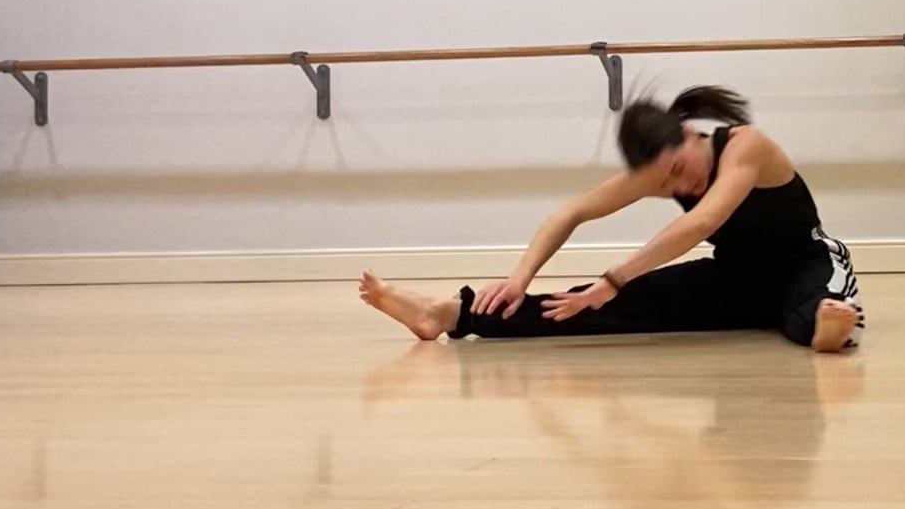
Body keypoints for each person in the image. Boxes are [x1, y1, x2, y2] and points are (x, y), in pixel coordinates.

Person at [359, 86, 864, 352]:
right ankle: (448, 315)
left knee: (816, 303)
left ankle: (825, 327)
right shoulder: (661, 172)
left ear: (690, 136)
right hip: (733, 279)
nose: (677, 188)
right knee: (581, 306)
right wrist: (520, 277)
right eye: (664, 184)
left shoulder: (745, 146)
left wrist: (614, 279)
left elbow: (701, 223)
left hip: (805, 263)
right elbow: (572, 211)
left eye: (679, 171)